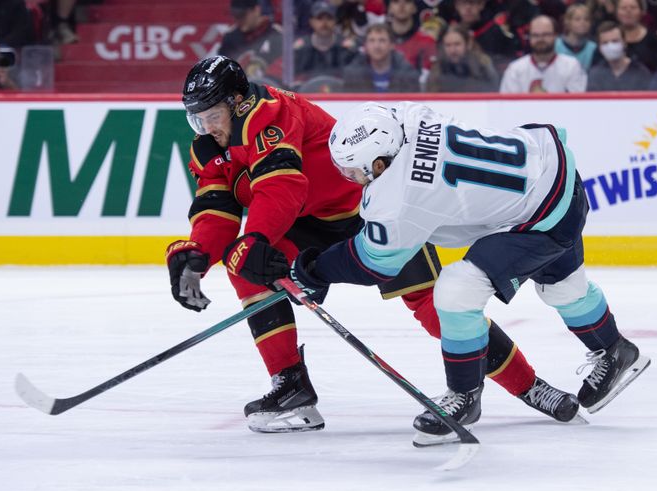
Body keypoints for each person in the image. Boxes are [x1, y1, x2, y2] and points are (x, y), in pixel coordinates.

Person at [168, 54, 582, 434]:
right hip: (306, 223)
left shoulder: (272, 114)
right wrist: (198, 253)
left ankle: (529, 385)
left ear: (238, 102)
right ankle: (291, 386)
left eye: (212, 117)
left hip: (374, 211)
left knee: (438, 308)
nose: (207, 129)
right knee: (245, 270)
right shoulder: (210, 145)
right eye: (197, 121)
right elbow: (216, 203)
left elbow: (283, 187)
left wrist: (256, 238)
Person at [266, 100, 650, 445]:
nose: (349, 177)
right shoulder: (407, 117)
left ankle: (463, 397)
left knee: (455, 291)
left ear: (380, 163)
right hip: (553, 170)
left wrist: (314, 270)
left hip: (539, 219)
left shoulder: (401, 195)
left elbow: (373, 262)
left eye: (353, 170)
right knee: (563, 289)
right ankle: (616, 350)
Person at [500, 15, 586, 93]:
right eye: (535, 35)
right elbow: (507, 103)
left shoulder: (572, 66)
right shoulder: (515, 69)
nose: (540, 39)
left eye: (546, 34)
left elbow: (578, 102)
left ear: (555, 36)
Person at [342, 23, 419, 92]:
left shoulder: (408, 74)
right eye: (372, 41)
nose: (376, 46)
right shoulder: (352, 74)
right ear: (366, 45)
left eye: (382, 40)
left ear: (392, 45)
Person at [218, 0, 283, 82]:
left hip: (271, 85)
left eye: (242, 15)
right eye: (235, 15)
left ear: (256, 10)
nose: (238, 19)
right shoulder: (230, 38)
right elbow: (222, 70)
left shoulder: (276, 34)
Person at [293, 1, 357, 81]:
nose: (324, 23)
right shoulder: (300, 49)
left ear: (335, 21)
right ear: (311, 22)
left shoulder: (347, 49)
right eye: (319, 18)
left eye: (329, 18)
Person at [426, 24, 498, 92]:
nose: (452, 50)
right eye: (448, 45)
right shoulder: (437, 68)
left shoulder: (482, 65)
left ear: (468, 44)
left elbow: (492, 91)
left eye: (457, 44)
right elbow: (432, 95)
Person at [587, 21, 651, 91]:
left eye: (615, 41)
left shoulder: (641, 72)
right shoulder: (595, 74)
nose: (610, 46)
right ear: (599, 47)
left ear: (624, 43)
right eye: (605, 43)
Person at [386, 0, 437, 76]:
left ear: (414, 8)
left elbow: (430, 76)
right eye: (396, 1)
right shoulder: (379, 40)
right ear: (389, 8)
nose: (401, 6)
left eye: (407, 1)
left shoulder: (427, 41)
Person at [614, 0, 657, 72]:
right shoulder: (608, 39)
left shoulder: (655, 40)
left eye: (633, 7)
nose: (628, 11)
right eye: (623, 8)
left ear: (642, 11)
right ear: (616, 12)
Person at [555, 4, 598, 73]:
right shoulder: (556, 45)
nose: (583, 22)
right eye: (577, 19)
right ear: (568, 22)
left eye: (586, 19)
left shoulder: (593, 48)